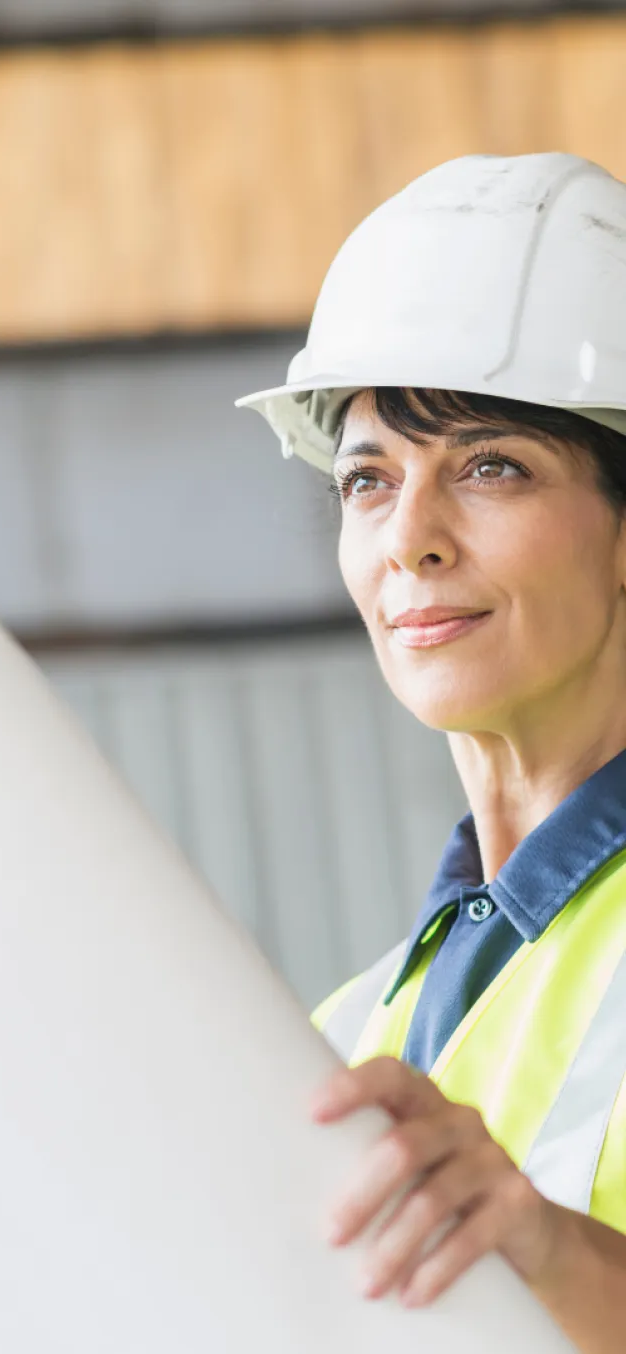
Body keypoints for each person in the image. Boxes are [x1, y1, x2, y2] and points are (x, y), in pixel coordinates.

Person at [237, 152, 626, 1352]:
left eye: (488, 466)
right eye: (367, 480)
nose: (409, 538)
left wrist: (549, 1252)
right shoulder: (345, 1035)